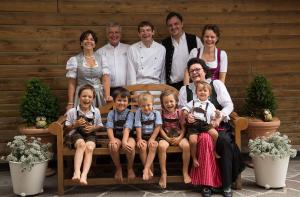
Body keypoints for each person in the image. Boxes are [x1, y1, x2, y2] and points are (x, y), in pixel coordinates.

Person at [179, 58, 244, 197]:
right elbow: (181, 111)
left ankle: (226, 184)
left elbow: (228, 105)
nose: (195, 72)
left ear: (204, 71)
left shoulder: (216, 84)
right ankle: (206, 184)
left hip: (215, 125)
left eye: (198, 69)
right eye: (192, 71)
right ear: (189, 74)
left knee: (225, 142)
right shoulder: (185, 90)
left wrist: (220, 116)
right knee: (204, 140)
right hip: (195, 128)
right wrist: (187, 117)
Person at [65, 84, 103, 185]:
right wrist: (75, 124)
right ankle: (77, 172)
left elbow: (100, 125)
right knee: (81, 145)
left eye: (90, 97)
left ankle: (84, 175)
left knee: (89, 147)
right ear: (79, 97)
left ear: (93, 99)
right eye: (84, 96)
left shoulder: (96, 111)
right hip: (76, 134)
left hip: (91, 135)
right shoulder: (72, 112)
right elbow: (67, 126)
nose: (87, 99)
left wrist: (93, 128)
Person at [66, 30, 112, 111]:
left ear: (94, 44)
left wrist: (107, 96)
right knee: (81, 120)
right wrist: (70, 103)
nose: (89, 41)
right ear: (81, 43)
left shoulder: (102, 59)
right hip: (82, 96)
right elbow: (72, 83)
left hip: (98, 95)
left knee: (100, 119)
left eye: (92, 39)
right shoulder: (75, 60)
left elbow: (105, 78)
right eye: (86, 39)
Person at [182, 81, 221, 168]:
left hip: (204, 124)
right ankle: (194, 157)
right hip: (194, 124)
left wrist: (217, 115)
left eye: (205, 90)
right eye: (200, 90)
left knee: (215, 134)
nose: (202, 92)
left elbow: (214, 116)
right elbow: (185, 109)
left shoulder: (210, 105)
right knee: (193, 141)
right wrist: (187, 114)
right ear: (196, 92)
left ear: (209, 93)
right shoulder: (192, 102)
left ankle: (214, 150)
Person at [158, 89, 191, 189]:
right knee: (161, 146)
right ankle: (163, 173)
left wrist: (180, 138)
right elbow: (159, 128)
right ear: (163, 104)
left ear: (176, 101)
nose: (169, 104)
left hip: (178, 136)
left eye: (171, 101)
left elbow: (183, 128)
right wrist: (167, 139)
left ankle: (185, 171)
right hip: (166, 136)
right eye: (166, 102)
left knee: (186, 145)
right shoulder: (161, 113)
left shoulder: (179, 112)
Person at [162, 11, 203, 90]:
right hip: (172, 86)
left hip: (192, 84)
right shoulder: (164, 44)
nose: (173, 27)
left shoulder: (194, 40)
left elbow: (202, 62)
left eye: (176, 24)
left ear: (182, 24)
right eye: (170, 25)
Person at [106, 87, 136, 183]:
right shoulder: (111, 113)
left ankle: (130, 168)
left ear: (128, 102)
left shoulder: (130, 114)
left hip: (129, 137)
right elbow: (109, 128)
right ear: (114, 101)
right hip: (116, 137)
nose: (122, 103)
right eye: (119, 100)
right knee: (113, 146)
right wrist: (112, 140)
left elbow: (127, 128)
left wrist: (124, 141)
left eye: (124, 101)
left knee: (129, 146)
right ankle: (118, 168)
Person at [127, 21, 166, 85]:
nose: (145, 33)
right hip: (139, 86)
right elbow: (131, 74)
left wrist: (163, 88)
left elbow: (163, 73)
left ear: (153, 32)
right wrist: (133, 91)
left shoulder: (161, 49)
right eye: (142, 31)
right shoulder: (132, 49)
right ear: (139, 34)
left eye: (148, 30)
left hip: (157, 86)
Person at [96, 22, 130, 95]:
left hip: (126, 89)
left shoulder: (129, 49)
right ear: (107, 35)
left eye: (116, 32)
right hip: (108, 91)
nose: (114, 35)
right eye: (110, 32)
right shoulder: (100, 52)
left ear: (120, 34)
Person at [135, 92, 162, 181]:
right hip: (142, 136)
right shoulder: (138, 113)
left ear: (152, 104)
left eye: (148, 105)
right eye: (143, 106)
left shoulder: (156, 113)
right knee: (142, 147)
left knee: (153, 146)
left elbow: (158, 127)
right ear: (139, 106)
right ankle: (147, 169)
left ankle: (146, 169)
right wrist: (139, 139)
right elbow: (138, 126)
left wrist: (152, 138)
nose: (146, 108)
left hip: (152, 136)